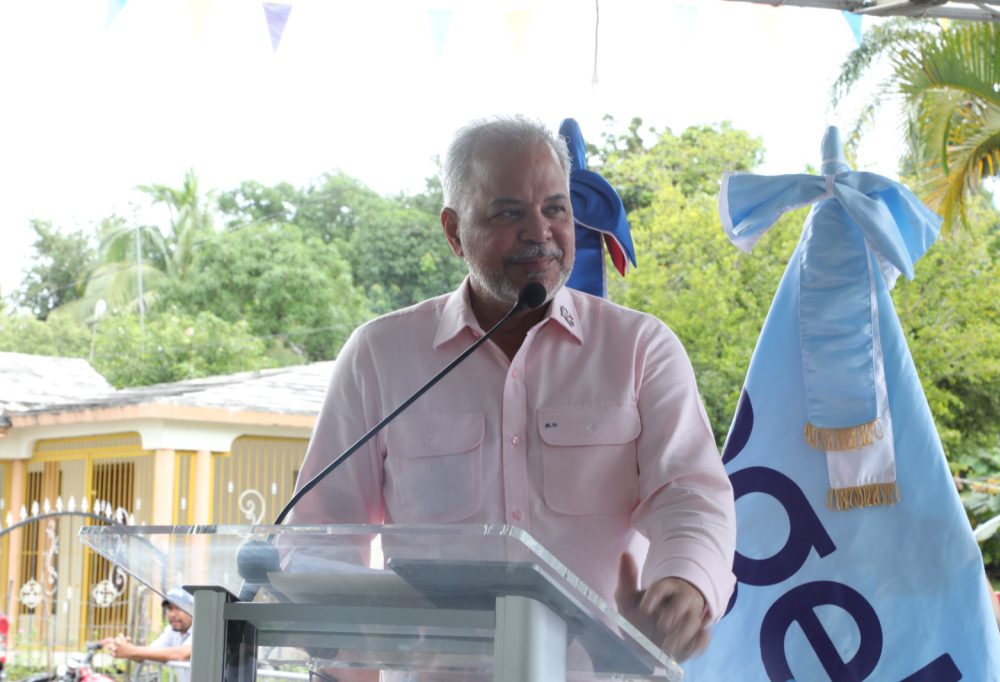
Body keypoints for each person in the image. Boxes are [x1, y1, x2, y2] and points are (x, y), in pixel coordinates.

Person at [288, 115, 736, 670]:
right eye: (508, 213)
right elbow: (319, 531)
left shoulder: (641, 348)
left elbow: (690, 494)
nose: (539, 231)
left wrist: (684, 581)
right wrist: (359, 640)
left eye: (555, 208)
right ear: (453, 232)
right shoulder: (380, 356)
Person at [102, 587, 193, 682]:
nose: (172, 614)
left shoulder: (201, 629)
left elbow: (181, 654)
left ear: (192, 609)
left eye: (178, 608)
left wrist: (130, 650)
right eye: (170, 609)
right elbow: (151, 652)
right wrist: (123, 648)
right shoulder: (173, 630)